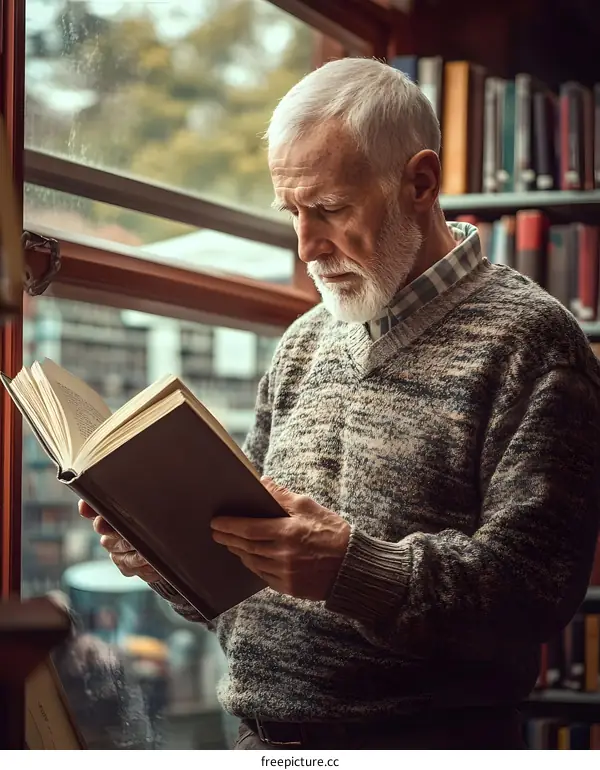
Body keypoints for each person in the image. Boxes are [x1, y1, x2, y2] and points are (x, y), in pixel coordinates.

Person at [79, 57, 600, 750]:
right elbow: (248, 593)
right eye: (292, 211)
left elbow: (533, 594)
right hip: (261, 742)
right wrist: (167, 556)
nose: (305, 246)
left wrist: (353, 572)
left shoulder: (534, 341)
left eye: (328, 210)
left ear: (420, 182)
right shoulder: (302, 343)